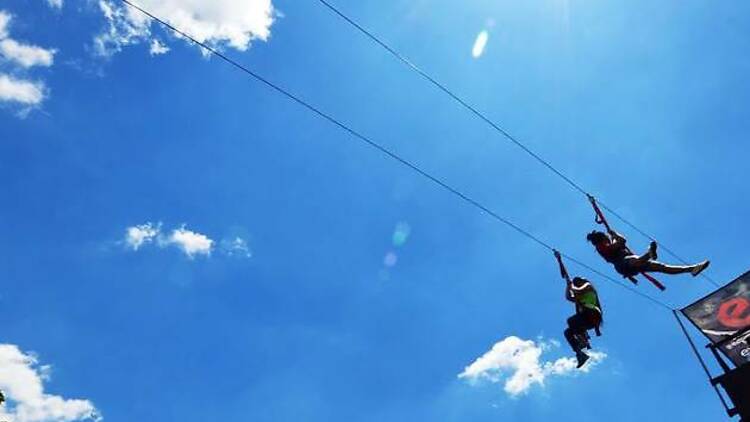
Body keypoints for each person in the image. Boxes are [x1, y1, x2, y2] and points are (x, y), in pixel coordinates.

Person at [586, 230, 710, 278]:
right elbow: (622, 240)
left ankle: (692, 269)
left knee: (662, 267)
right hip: (623, 265)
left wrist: (613, 234)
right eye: (606, 237)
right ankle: (649, 254)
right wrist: (614, 234)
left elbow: (620, 241)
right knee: (633, 259)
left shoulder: (607, 244)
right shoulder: (601, 247)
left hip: (633, 264)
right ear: (602, 239)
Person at [563, 275, 603, 368]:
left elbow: (578, 290)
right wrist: (568, 286)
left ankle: (583, 340)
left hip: (593, 314)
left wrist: (571, 285)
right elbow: (569, 297)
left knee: (571, 320)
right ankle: (580, 353)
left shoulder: (588, 286)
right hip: (585, 319)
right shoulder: (579, 297)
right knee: (568, 332)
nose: (577, 284)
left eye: (578, 282)